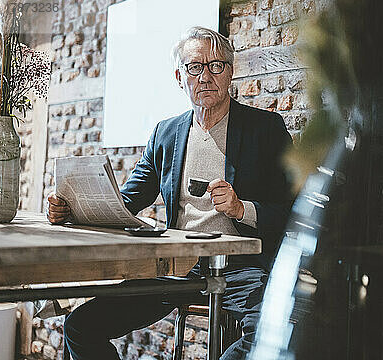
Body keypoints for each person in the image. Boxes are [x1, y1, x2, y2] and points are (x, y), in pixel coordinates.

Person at [47, 26, 293, 360]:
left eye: (215, 66)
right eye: (195, 67)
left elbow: (289, 212)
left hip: (241, 267)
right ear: (180, 76)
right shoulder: (166, 133)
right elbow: (127, 200)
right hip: (176, 267)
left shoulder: (265, 129)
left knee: (275, 333)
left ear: (230, 72)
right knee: (80, 327)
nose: (204, 76)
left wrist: (240, 209)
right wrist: (73, 210)